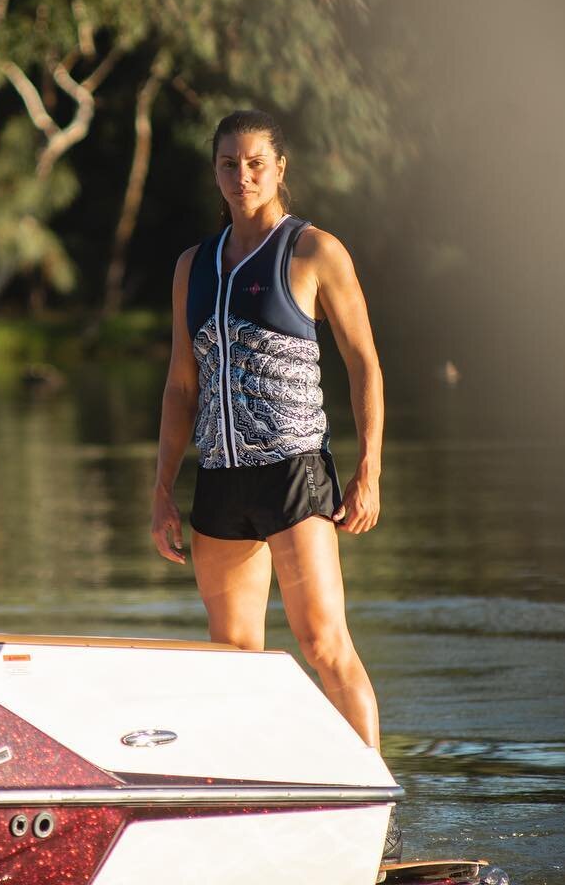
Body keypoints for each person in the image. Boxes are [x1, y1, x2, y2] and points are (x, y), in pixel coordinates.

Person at [150, 109, 384, 749]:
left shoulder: (313, 250)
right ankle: (255, 801)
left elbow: (363, 360)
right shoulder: (192, 266)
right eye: (229, 163)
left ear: (279, 169)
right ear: (215, 173)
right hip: (220, 481)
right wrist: (163, 488)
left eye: (255, 162)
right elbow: (179, 384)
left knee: (324, 644)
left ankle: (376, 810)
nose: (242, 174)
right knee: (232, 659)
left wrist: (369, 471)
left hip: (294, 473)